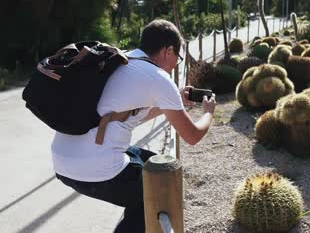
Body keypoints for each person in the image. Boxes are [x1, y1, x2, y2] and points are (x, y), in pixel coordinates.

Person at [52, 19, 216, 232]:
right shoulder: (158, 78)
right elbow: (193, 136)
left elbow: (124, 116)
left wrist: (172, 103)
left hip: (62, 161)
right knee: (160, 192)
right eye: (178, 56)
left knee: (152, 162)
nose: (177, 63)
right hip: (95, 170)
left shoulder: (120, 60)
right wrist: (208, 114)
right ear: (168, 50)